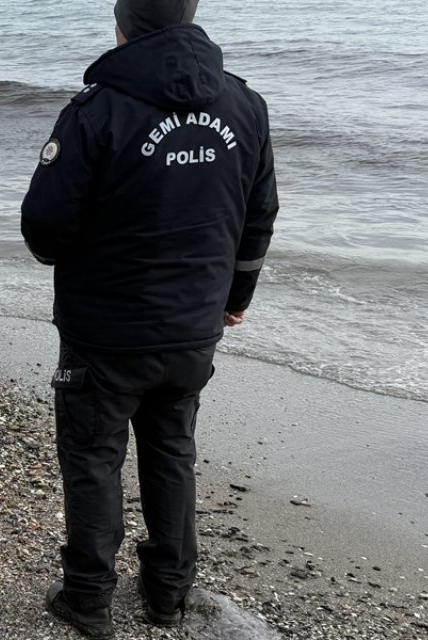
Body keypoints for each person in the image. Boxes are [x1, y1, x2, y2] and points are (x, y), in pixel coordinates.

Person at [20, 0, 278, 636]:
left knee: (93, 455)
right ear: (189, 16)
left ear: (122, 24)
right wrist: (236, 296)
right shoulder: (244, 107)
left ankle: (88, 597)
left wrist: (63, 253)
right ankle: (166, 594)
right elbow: (259, 216)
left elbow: (46, 226)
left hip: (106, 331)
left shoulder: (97, 110)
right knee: (171, 450)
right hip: (192, 327)